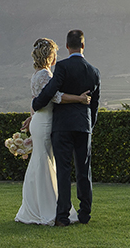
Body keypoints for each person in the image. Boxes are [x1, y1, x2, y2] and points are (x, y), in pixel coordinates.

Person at [15, 38, 90, 225]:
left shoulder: (37, 74)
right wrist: (79, 99)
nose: (57, 56)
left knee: (41, 161)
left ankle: (36, 208)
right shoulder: (45, 76)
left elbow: (36, 101)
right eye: (55, 53)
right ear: (50, 56)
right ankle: (48, 209)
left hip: (39, 120)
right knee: (45, 162)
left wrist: (31, 118)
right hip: (46, 122)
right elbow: (56, 97)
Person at [33, 29, 100, 226]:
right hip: (83, 125)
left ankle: (62, 216)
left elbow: (51, 91)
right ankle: (85, 213)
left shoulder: (62, 67)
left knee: (63, 170)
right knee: (83, 170)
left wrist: (37, 104)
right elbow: (94, 104)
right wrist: (90, 125)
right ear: (83, 46)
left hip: (62, 126)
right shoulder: (94, 71)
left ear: (67, 46)